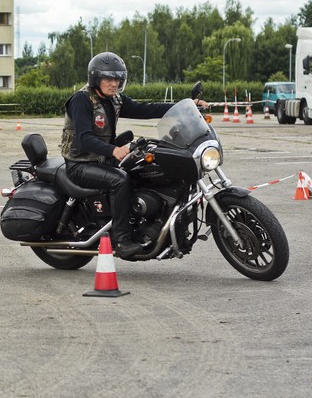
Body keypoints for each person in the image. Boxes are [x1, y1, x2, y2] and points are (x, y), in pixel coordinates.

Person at [60, 52, 207, 259]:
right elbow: (84, 138)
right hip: (80, 163)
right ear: (95, 78)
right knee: (119, 180)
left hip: (103, 160)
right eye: (108, 79)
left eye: (118, 79)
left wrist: (187, 106)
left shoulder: (115, 99)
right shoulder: (81, 100)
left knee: (143, 170)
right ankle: (122, 241)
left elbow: (146, 109)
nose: (114, 83)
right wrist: (113, 150)